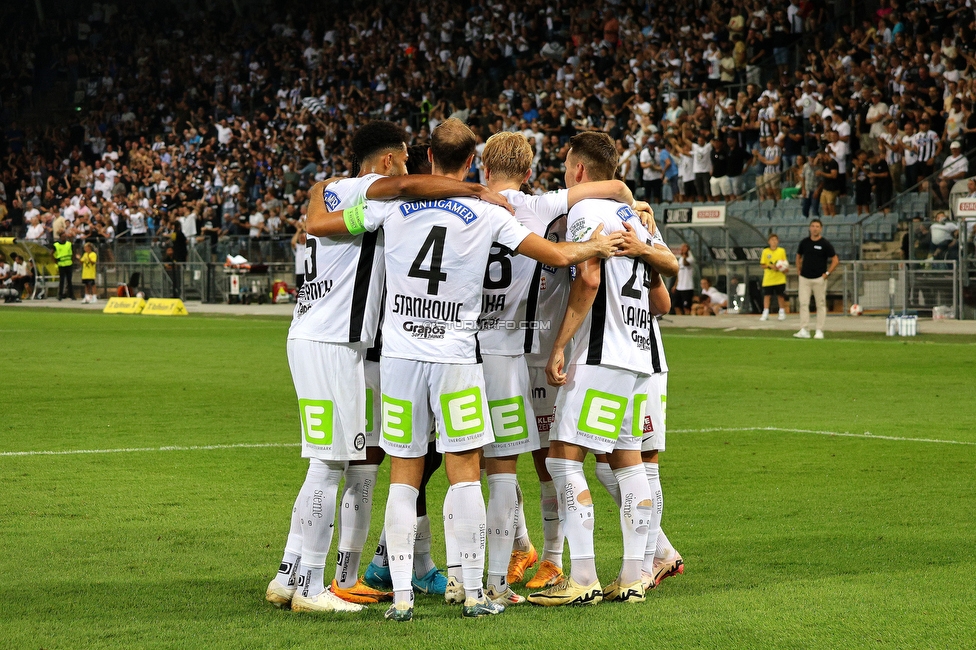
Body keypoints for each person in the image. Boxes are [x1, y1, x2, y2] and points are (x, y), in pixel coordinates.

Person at [308, 119, 623, 622]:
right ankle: (477, 589)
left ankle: (404, 598)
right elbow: (559, 253)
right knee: (473, 473)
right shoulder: (495, 212)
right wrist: (597, 247)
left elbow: (321, 224)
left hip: (400, 358)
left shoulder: (393, 206)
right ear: (472, 161)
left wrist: (320, 199)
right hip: (464, 357)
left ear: (428, 156)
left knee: (404, 476)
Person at [265, 120, 514, 616]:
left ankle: (289, 573)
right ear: (386, 161)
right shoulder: (375, 196)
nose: (409, 170)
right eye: (402, 160)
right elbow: (404, 187)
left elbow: (320, 217)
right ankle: (315, 585)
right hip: (337, 343)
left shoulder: (327, 190)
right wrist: (476, 191)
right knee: (331, 465)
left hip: (317, 337)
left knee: (337, 460)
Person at [475, 131, 651, 605]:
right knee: (569, 458)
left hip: (525, 349)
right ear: (530, 172)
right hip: (559, 345)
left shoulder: (480, 205)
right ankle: (532, 550)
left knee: (522, 458)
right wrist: (632, 203)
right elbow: (614, 190)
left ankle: (554, 559)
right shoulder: (543, 204)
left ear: (484, 170)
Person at [531, 131, 672, 608]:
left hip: (601, 349)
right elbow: (665, 270)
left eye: (568, 165)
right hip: (638, 352)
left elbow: (588, 277)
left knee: (562, 458)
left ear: (580, 171)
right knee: (628, 461)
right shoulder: (633, 216)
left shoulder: (585, 212)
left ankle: (583, 575)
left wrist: (560, 344)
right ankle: (634, 575)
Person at [794, 219, 838, 339]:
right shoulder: (804, 242)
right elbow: (798, 256)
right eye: (813, 226)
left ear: (821, 229)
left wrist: (827, 273)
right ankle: (804, 329)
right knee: (803, 303)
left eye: (817, 226)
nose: (815, 228)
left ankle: (819, 330)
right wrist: (798, 269)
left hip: (819, 278)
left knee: (820, 304)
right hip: (804, 278)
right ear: (809, 228)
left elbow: (835, 259)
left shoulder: (825, 244)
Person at [759, 234, 788, 320]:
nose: (774, 242)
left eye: (775, 240)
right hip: (769, 278)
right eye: (772, 240)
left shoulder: (781, 251)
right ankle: (765, 312)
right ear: (769, 242)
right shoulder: (765, 251)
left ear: (778, 241)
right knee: (767, 295)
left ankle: (782, 312)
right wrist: (771, 266)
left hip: (780, 278)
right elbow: (763, 264)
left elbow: (784, 262)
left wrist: (781, 267)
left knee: (780, 295)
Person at [671, 243, 695, 315]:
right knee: (676, 306)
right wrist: (675, 285)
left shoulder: (690, 259)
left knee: (686, 307)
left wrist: (684, 255)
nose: (682, 249)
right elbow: (679, 273)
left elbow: (686, 264)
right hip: (679, 287)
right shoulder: (681, 259)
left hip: (687, 287)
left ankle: (687, 321)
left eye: (684, 248)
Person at [52, 232, 75, 301]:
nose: (64, 238)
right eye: (63, 237)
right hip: (61, 264)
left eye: (65, 237)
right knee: (62, 280)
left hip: (68, 263)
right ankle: (60, 294)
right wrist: (55, 261)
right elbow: (51, 253)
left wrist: (72, 261)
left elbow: (73, 253)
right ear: (60, 237)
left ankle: (71, 294)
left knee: (69, 280)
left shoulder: (69, 244)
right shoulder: (56, 245)